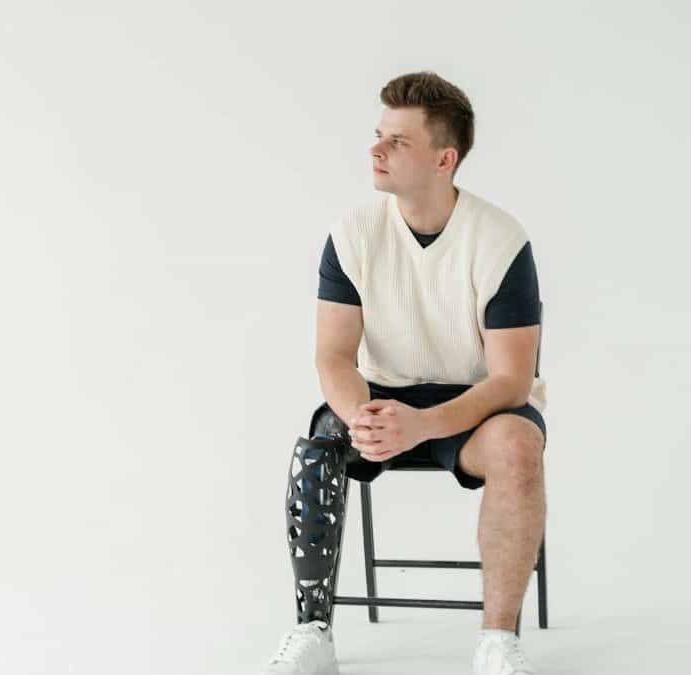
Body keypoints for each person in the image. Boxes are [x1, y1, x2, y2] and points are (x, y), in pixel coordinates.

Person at [259, 71, 548, 675]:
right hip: (380, 399)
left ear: (445, 159)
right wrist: (362, 414)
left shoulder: (500, 241)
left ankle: (498, 643)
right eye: (378, 135)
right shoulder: (352, 233)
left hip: (472, 404)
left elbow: (511, 382)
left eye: (398, 142)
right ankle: (313, 631)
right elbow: (333, 355)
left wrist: (423, 425)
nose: (376, 150)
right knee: (317, 449)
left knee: (520, 446)